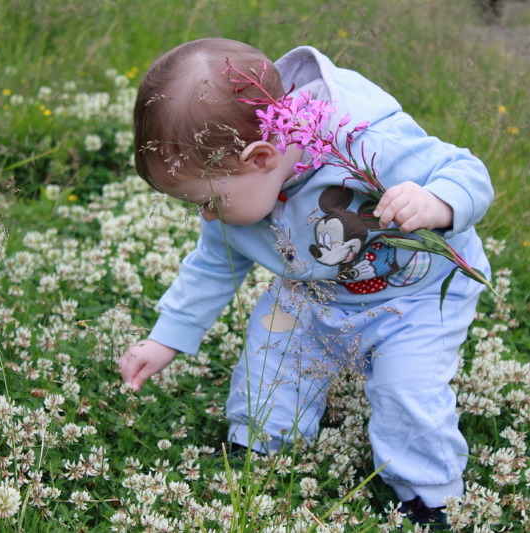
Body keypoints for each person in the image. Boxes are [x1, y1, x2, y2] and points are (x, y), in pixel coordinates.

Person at [119, 37, 493, 527]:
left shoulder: (358, 140)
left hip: (418, 295)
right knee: (274, 350)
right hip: (315, 291)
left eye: (207, 200)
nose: (206, 215)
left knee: (408, 390)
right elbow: (214, 263)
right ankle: (260, 441)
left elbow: (467, 171)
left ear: (259, 158)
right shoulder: (238, 190)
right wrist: (166, 337)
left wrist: (438, 202)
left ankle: (430, 496)